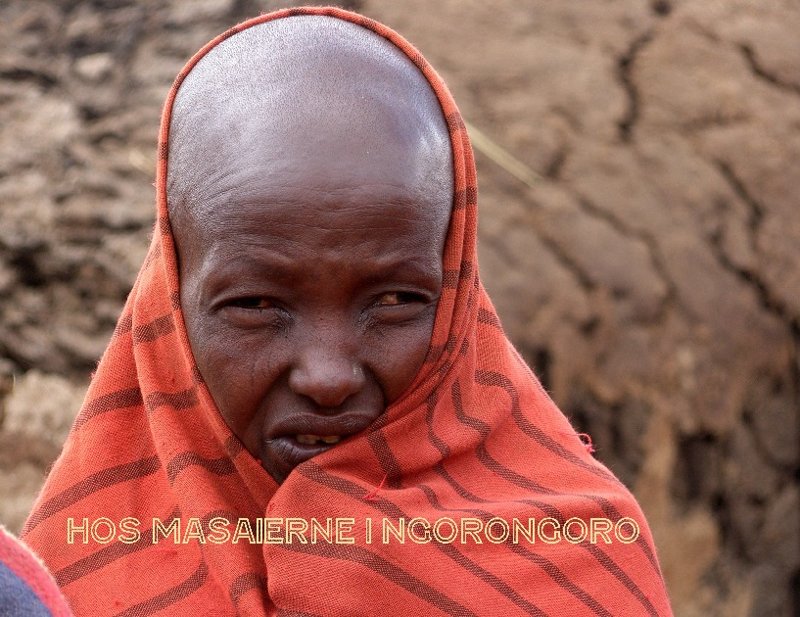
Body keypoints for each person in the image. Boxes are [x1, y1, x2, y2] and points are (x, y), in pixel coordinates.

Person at [22, 7, 673, 616]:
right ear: (172, 307)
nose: (328, 376)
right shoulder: (62, 580)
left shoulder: (577, 560)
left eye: (393, 301)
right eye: (255, 304)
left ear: (454, 299)